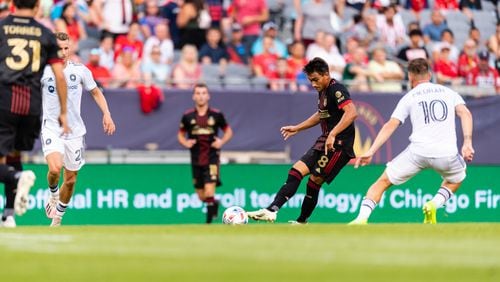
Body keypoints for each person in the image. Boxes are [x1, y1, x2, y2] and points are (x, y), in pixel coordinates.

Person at [349, 58, 474, 225]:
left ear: (410, 77)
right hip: (447, 153)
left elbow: (391, 125)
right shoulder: (449, 92)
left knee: (382, 182)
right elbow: (465, 113)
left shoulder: (410, 96)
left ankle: (360, 219)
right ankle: (433, 204)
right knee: (458, 178)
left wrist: (371, 151)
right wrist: (467, 142)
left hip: (418, 153)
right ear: (429, 75)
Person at [247, 57, 358, 224]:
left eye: (316, 79)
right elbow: (320, 115)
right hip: (325, 140)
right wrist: (298, 127)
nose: (313, 84)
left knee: (314, 181)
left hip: (339, 145)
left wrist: (333, 134)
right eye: (310, 80)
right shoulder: (322, 91)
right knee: (295, 171)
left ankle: (301, 221)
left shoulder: (337, 89)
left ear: (326, 74)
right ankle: (271, 210)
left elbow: (351, 112)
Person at [0, 0, 69, 227]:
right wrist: (63, 112)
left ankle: (17, 178)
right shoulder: (46, 33)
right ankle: (9, 214)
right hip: (30, 106)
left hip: (5, 101)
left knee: (4, 161)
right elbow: (60, 75)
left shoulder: (2, 27)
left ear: (12, 5)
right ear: (38, 7)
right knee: (14, 156)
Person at [42, 32, 116, 227]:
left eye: (66, 48)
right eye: (60, 48)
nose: (63, 52)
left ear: (71, 48)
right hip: (51, 127)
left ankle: (58, 217)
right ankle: (52, 194)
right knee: (55, 169)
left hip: (74, 132)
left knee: (71, 180)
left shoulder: (80, 70)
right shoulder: (44, 71)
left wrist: (106, 113)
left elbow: (95, 92)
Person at [177, 83, 233, 223]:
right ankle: (213, 204)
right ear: (193, 96)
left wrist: (221, 142)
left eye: (203, 93)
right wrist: (185, 143)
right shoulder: (187, 116)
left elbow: (228, 131)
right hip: (196, 159)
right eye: (198, 93)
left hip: (212, 158)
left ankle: (208, 223)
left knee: (209, 191)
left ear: (208, 96)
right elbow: (180, 135)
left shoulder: (216, 115)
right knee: (202, 196)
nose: (201, 96)